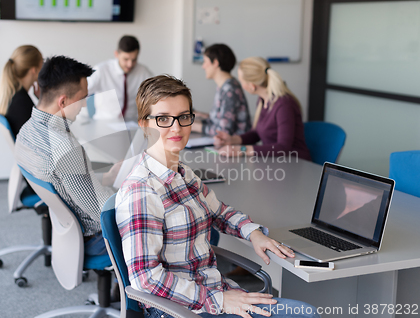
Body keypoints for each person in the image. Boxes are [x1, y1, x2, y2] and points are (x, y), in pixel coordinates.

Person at [116, 75, 320, 318]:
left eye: (183, 117)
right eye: (163, 119)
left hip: (214, 291)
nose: (177, 128)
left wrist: (252, 232)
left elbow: (220, 212)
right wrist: (220, 300)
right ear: (143, 123)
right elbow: (146, 279)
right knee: (304, 314)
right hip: (180, 309)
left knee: (304, 313)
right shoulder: (141, 190)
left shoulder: (183, 173)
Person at [15, 55, 120, 256]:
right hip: (94, 237)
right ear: (63, 101)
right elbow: (101, 212)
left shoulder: (27, 131)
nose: (83, 106)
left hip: (67, 229)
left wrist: (105, 176)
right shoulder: (64, 148)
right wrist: (133, 193)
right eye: (82, 99)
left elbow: (68, 180)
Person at [214, 57, 311, 161]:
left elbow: (283, 147)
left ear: (252, 86)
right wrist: (232, 140)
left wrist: (242, 150)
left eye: (241, 81)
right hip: (275, 161)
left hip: (295, 163)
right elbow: (257, 133)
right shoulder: (263, 100)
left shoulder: (284, 105)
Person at [86, 35, 153, 121]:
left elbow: (156, 96)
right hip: (103, 123)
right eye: (126, 59)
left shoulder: (143, 72)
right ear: (116, 54)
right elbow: (80, 94)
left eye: (134, 59)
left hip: (132, 123)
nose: (130, 64)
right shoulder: (101, 70)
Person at [192, 44, 252, 136]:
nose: (203, 66)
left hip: (235, 146)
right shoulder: (224, 86)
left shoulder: (230, 89)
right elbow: (218, 119)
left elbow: (224, 131)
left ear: (215, 63)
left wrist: (193, 126)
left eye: (205, 62)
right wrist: (195, 115)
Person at [0, 45, 43, 138]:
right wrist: (44, 102)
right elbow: (43, 139)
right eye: (42, 63)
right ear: (34, 70)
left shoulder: (15, 98)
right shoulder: (22, 103)